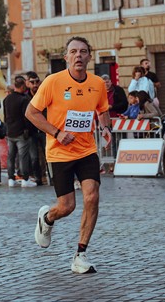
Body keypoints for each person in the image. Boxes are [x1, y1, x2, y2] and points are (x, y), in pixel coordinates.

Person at [26, 36, 112, 274]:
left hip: (86, 150)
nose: (78, 56)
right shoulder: (53, 82)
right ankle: (48, 218)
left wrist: (105, 129)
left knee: (92, 197)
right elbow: (31, 113)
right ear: (66, 57)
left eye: (83, 51)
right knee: (67, 206)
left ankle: (80, 255)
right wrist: (57, 132)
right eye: (73, 51)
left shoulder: (97, 84)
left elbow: (102, 111)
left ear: (89, 56)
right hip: (59, 153)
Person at [4, 76, 36, 188]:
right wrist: (28, 129)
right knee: (23, 157)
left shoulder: (7, 99)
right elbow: (26, 117)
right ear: (22, 86)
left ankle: (10, 179)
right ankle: (25, 179)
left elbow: (5, 116)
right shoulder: (24, 99)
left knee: (11, 156)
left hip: (10, 132)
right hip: (21, 132)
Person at [26, 71, 47, 185]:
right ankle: (38, 178)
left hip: (44, 130)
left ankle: (51, 177)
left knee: (47, 155)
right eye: (32, 82)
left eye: (37, 81)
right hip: (32, 131)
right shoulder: (25, 97)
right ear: (27, 83)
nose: (35, 84)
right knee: (34, 157)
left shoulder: (43, 94)